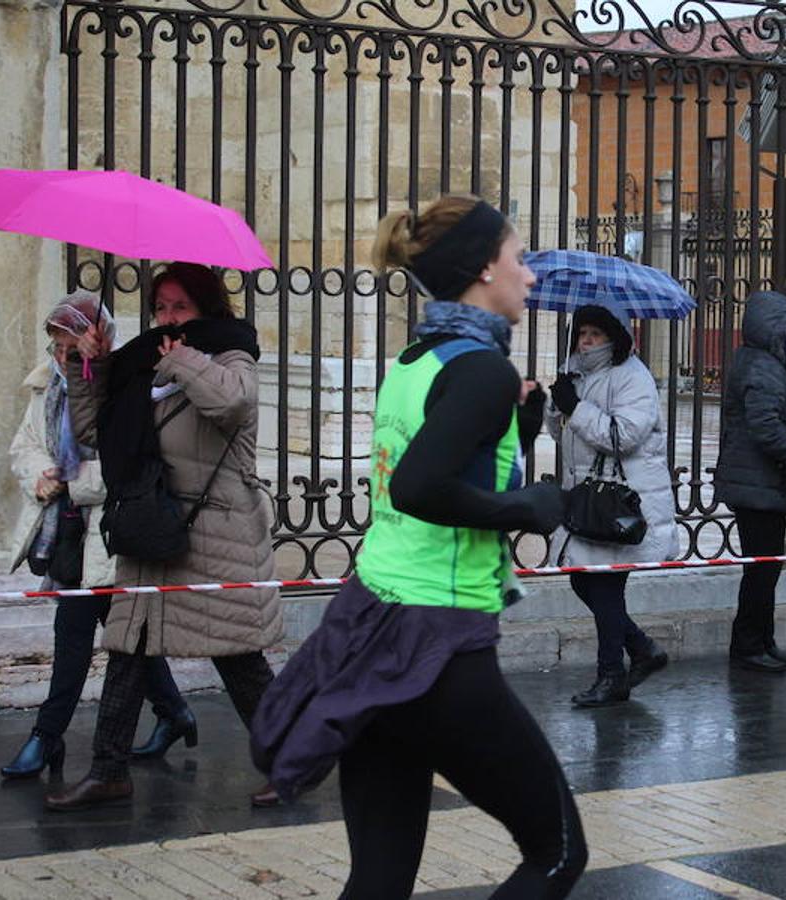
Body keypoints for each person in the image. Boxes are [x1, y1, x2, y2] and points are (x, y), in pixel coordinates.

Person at [250, 195, 586, 900]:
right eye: (519, 259)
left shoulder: (415, 360)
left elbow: (446, 474)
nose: (528, 278)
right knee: (555, 852)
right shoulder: (483, 370)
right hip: (440, 645)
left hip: (373, 631)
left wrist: (518, 434)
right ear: (484, 267)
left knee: (379, 876)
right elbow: (418, 487)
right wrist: (531, 505)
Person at [44, 262, 282, 810]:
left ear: (206, 309)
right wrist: (95, 365)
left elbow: (230, 403)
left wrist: (178, 355)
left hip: (216, 532)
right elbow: (93, 432)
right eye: (161, 308)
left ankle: (292, 762)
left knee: (239, 658)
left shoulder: (232, 356)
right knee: (128, 647)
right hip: (153, 526)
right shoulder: (143, 365)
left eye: (181, 307)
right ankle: (108, 770)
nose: (169, 318)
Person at [1, 292, 195, 779]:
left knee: (76, 634)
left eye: (72, 339)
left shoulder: (122, 383)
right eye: (57, 341)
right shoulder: (46, 385)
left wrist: (72, 481)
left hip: (108, 535)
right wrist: (42, 474)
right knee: (126, 638)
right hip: (65, 531)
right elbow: (23, 445)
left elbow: (126, 463)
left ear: (97, 336)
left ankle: (46, 737)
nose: (63, 349)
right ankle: (174, 713)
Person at [546, 298, 677, 708]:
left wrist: (577, 408)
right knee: (583, 579)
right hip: (591, 498)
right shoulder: (581, 373)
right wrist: (555, 404)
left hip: (622, 501)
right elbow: (565, 435)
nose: (586, 342)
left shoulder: (631, 376)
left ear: (613, 338)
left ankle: (611, 674)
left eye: (595, 334)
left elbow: (624, 436)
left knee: (603, 587)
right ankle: (641, 649)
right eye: (581, 334)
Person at [713, 291, 786, 674]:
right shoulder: (763, 366)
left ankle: (763, 639)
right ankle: (747, 645)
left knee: (767, 566)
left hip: (764, 483)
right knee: (761, 569)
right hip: (755, 485)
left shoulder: (770, 362)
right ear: (775, 329)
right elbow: (765, 426)